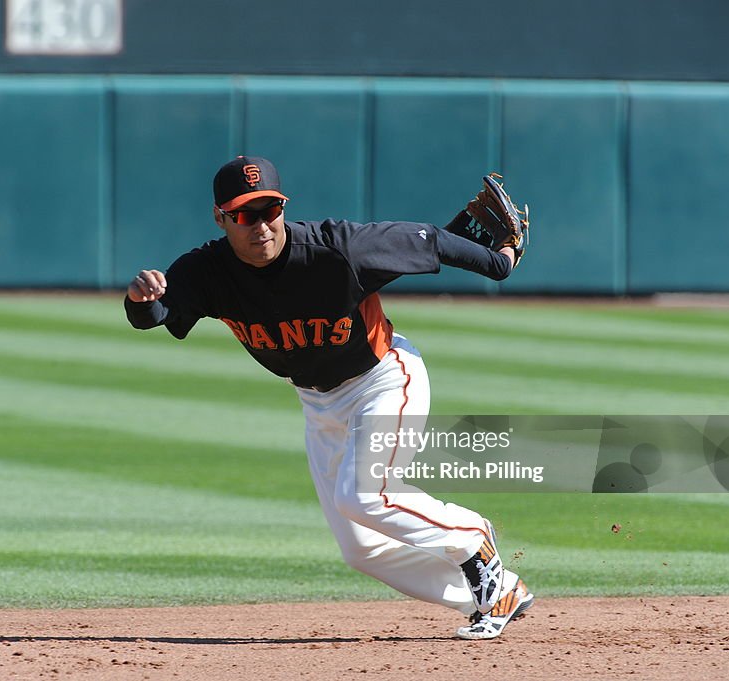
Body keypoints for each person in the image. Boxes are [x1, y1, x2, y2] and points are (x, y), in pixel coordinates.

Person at [124, 156, 533, 640]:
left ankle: (472, 540)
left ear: (283, 208)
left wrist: (500, 262)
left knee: (364, 495)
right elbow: (154, 315)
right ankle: (495, 590)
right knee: (361, 548)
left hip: (383, 379)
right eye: (244, 215)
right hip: (318, 405)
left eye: (269, 209)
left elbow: (432, 240)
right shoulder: (207, 271)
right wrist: (140, 299)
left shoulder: (338, 249)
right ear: (220, 217)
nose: (260, 225)